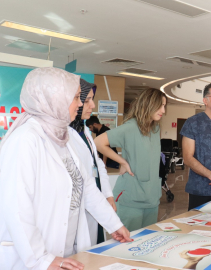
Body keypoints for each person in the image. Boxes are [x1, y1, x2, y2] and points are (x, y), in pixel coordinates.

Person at [0, 67, 131, 270]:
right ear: (55, 99)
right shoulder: (25, 140)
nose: (80, 104)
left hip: (65, 252)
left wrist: (114, 224)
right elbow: (16, 207)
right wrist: (41, 259)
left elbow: (87, 187)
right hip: (31, 259)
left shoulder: (65, 138)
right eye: (77, 97)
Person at [94, 88, 166, 232]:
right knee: (128, 245)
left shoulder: (155, 128)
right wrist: (122, 161)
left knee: (146, 242)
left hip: (151, 198)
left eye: (164, 106)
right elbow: (98, 142)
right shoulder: (130, 127)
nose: (163, 110)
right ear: (148, 104)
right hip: (131, 198)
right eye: (160, 106)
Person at [69, 79, 117, 246]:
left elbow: (97, 165)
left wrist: (108, 194)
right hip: (79, 207)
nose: (93, 105)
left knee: (94, 245)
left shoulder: (86, 131)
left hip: (95, 202)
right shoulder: (64, 135)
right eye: (86, 100)